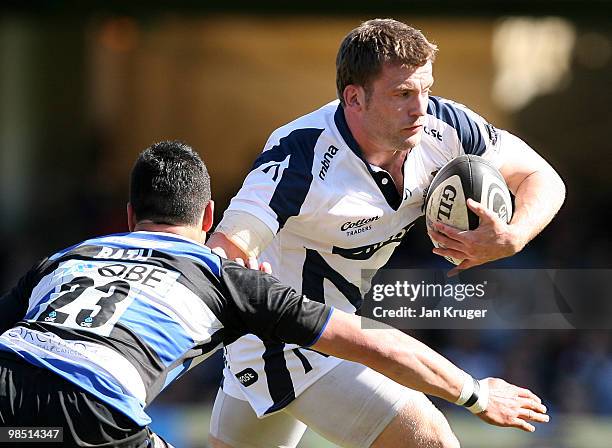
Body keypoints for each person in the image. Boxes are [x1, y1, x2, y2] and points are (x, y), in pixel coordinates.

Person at [0, 141, 548, 447]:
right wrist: (475, 395)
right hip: (97, 409)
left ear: (127, 219)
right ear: (209, 215)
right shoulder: (225, 278)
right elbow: (376, 345)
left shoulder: (64, 259)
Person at [207, 19, 565, 448]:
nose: (421, 108)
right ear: (354, 98)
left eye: (425, 90)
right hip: (286, 339)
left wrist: (514, 235)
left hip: (333, 327)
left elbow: (541, 176)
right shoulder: (299, 157)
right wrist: (244, 272)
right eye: (402, 95)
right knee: (431, 440)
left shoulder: (444, 127)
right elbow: (224, 253)